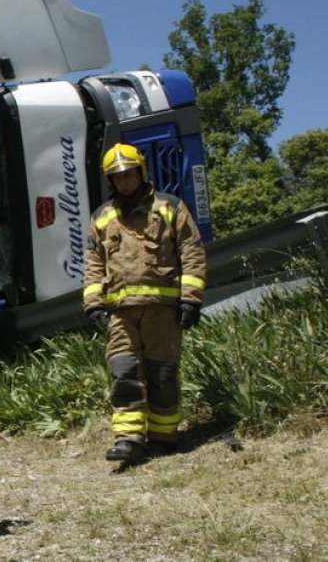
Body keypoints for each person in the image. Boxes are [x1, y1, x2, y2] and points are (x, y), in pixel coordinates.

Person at [83, 143, 207, 462]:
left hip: (162, 311)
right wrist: (94, 304)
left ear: (141, 172)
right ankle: (128, 438)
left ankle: (164, 435)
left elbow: (191, 252)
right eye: (117, 176)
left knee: (162, 374)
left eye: (128, 174)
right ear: (110, 181)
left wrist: (190, 301)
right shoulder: (101, 217)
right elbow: (94, 263)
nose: (124, 181)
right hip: (120, 314)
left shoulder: (170, 208)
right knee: (124, 372)